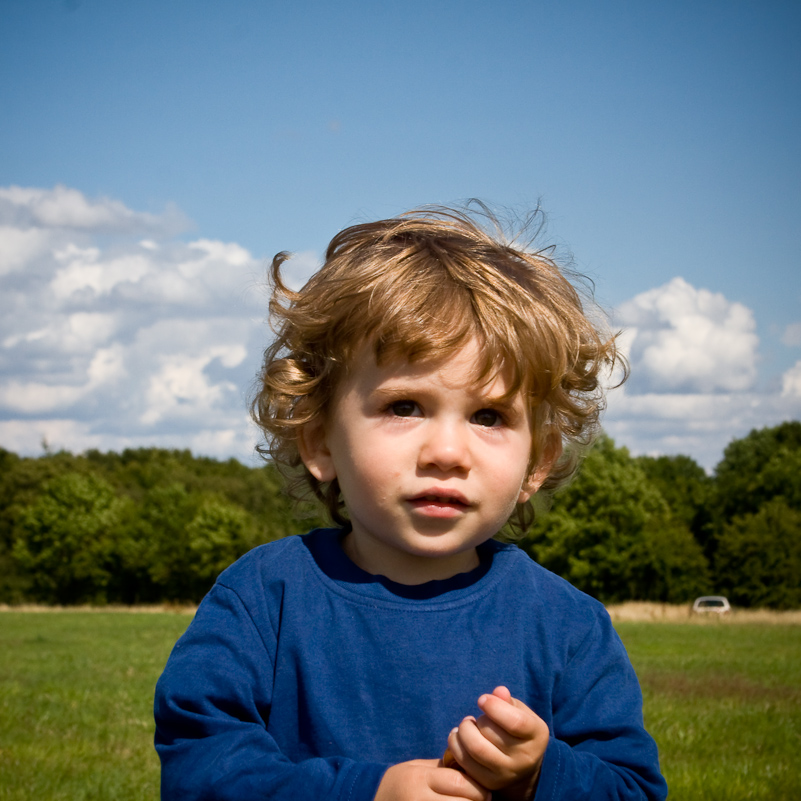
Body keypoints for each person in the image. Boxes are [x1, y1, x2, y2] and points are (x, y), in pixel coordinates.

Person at [154, 205, 667, 801]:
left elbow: (634, 790)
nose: (447, 451)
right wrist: (367, 793)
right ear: (319, 439)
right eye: (404, 407)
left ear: (538, 462)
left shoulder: (568, 626)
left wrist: (539, 776)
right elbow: (200, 769)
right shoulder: (263, 599)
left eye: (489, 416)